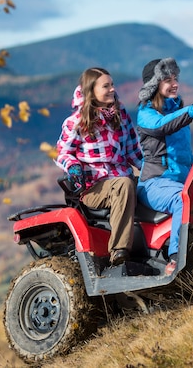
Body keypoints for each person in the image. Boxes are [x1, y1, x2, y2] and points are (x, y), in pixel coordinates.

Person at [55, 67, 143, 266]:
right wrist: (73, 167)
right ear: (91, 91)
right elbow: (61, 153)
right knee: (124, 185)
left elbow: (134, 153)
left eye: (112, 84)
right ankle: (119, 251)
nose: (112, 89)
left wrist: (154, 172)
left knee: (149, 187)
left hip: (121, 179)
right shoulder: (76, 122)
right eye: (106, 86)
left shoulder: (121, 116)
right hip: (94, 187)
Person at [136, 57, 193, 275]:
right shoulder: (147, 114)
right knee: (182, 199)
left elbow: (182, 157)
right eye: (167, 79)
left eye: (175, 78)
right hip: (154, 184)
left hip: (180, 180)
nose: (174, 83)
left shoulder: (176, 115)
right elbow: (161, 127)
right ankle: (176, 259)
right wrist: (190, 112)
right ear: (153, 85)